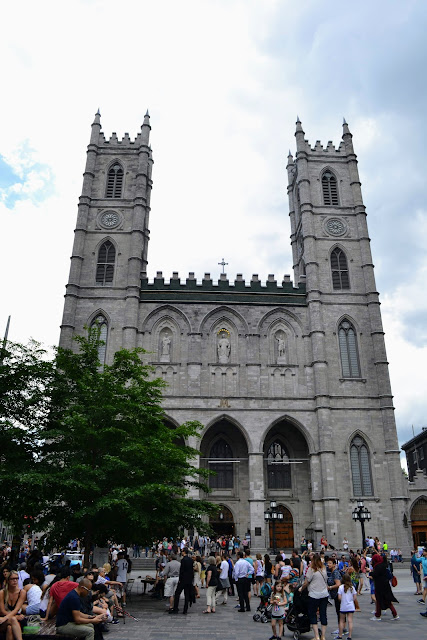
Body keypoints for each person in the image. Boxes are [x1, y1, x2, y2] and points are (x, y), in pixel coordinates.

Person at [299, 553, 329, 640]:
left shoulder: (311, 569)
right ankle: (323, 636)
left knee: (312, 614)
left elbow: (306, 582)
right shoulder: (323, 568)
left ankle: (316, 636)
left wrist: (301, 589)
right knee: (323, 614)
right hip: (324, 594)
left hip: (314, 595)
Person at [370, 553, 399, 621]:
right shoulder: (383, 565)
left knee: (379, 600)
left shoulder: (378, 566)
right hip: (386, 585)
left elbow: (375, 574)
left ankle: (378, 616)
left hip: (380, 586)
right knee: (388, 601)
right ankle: (395, 614)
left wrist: (370, 572)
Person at [0, 570, 25, 640]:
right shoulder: (2, 592)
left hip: (14, 619)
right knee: (13, 620)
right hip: (6, 619)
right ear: (8, 580)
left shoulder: (22, 592)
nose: (15, 581)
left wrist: (7, 617)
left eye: (17, 578)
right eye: (12, 579)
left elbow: (17, 609)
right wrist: (13, 617)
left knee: (10, 628)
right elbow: (2, 611)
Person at [170, 548, 194, 615]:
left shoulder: (183, 560)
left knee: (177, 593)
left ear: (184, 552)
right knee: (187, 594)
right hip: (189, 580)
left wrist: (180, 579)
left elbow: (182, 570)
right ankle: (185, 610)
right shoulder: (191, 560)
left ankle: (175, 608)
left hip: (183, 579)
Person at [336, 574, 356, 640]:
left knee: (341, 621)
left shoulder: (341, 587)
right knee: (350, 621)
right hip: (351, 606)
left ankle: (340, 635)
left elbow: (339, 597)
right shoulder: (352, 587)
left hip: (343, 606)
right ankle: (349, 636)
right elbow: (355, 597)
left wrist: (343, 600)